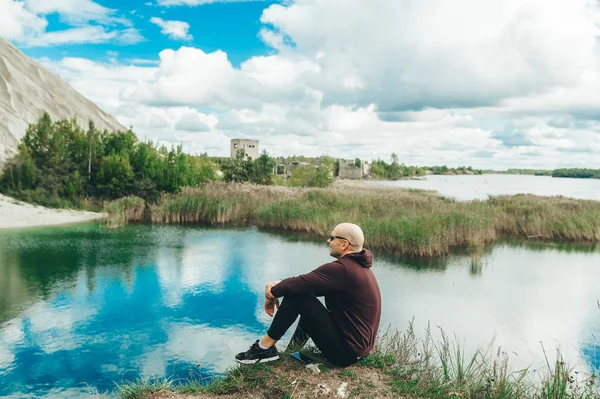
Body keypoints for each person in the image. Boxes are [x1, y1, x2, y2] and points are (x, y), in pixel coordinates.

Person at [235, 223, 382, 367]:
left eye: (332, 237)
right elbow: (306, 286)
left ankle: (263, 349)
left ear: (344, 244)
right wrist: (279, 287)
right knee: (302, 294)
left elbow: (298, 284)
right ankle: (293, 350)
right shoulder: (359, 268)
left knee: (296, 296)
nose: (328, 241)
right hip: (356, 351)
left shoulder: (343, 270)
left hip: (345, 354)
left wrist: (271, 293)